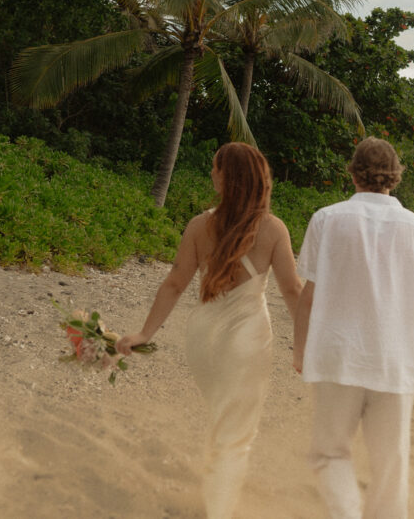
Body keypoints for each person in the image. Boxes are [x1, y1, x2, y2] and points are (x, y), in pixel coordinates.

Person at [116, 142, 301, 519]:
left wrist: (145, 334)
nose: (212, 173)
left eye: (215, 168)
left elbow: (175, 283)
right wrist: (304, 343)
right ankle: (219, 509)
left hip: (203, 339)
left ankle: (215, 493)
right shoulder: (272, 229)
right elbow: (292, 290)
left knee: (222, 418)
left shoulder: (200, 226)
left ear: (226, 177)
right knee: (237, 432)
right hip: (246, 340)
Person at [292, 137, 414, 519]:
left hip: (337, 354)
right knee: (391, 466)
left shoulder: (326, 219)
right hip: (395, 362)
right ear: (395, 176)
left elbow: (307, 299)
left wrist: (300, 351)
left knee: (329, 453)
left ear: (353, 172)